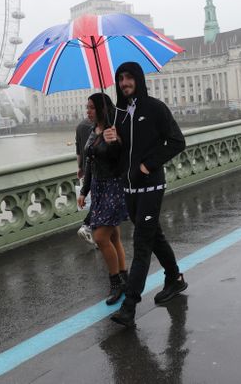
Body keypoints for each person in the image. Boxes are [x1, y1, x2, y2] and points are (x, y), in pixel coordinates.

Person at [106, 61, 187, 328]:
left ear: (138, 80)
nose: (125, 83)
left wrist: (148, 164)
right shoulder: (117, 114)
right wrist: (112, 143)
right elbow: (119, 157)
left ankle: (129, 306)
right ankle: (174, 278)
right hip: (129, 188)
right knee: (154, 237)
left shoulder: (154, 108)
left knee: (141, 244)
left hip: (151, 186)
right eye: (121, 79)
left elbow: (177, 141)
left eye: (129, 78)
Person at [77, 93, 129, 305]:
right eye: (87, 107)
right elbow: (90, 164)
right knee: (114, 237)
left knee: (100, 238)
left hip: (114, 188)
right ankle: (124, 276)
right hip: (98, 189)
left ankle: (115, 283)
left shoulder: (113, 131)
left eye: (91, 107)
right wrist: (84, 191)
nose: (87, 111)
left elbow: (120, 160)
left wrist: (115, 142)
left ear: (101, 108)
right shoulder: (92, 132)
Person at [75, 116, 96, 246]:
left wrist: (80, 168)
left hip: (86, 168)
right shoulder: (101, 126)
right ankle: (87, 225)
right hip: (98, 169)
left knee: (97, 201)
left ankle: (98, 236)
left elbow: (78, 151)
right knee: (100, 203)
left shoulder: (80, 126)